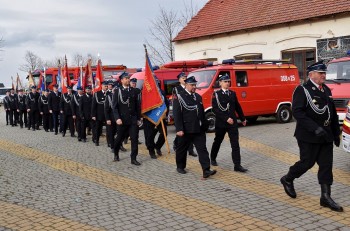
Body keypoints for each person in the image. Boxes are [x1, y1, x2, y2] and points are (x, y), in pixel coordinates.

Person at [280, 61, 343, 212]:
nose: (323, 75)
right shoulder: (302, 90)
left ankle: (325, 197)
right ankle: (288, 178)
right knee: (307, 162)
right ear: (311, 75)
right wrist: (315, 128)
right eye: (320, 73)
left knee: (326, 165)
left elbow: (332, 113)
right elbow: (298, 112)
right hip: (308, 135)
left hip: (325, 135)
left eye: (324, 73)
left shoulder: (326, 89)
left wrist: (336, 133)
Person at [172, 76, 217, 178]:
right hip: (186, 128)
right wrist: (179, 129)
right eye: (192, 85)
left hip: (198, 128)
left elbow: (201, 112)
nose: (194, 87)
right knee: (182, 149)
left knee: (202, 149)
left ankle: (206, 170)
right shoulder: (179, 97)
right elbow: (177, 114)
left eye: (195, 85)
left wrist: (205, 125)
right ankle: (180, 166)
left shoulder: (197, 96)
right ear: (187, 85)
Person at [210, 74, 248, 172]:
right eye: (225, 81)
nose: (227, 83)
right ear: (220, 83)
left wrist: (243, 118)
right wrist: (226, 118)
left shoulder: (232, 93)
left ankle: (237, 165)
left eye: (228, 81)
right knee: (218, 141)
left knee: (235, 144)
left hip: (232, 123)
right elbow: (215, 109)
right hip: (221, 123)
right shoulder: (216, 94)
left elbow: (237, 106)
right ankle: (213, 158)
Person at [112, 72, 142, 165]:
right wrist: (117, 118)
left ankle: (133, 158)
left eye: (128, 78)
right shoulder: (117, 91)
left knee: (134, 138)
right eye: (126, 78)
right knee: (119, 138)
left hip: (132, 119)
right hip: (122, 120)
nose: (128, 80)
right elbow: (114, 107)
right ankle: (116, 153)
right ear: (121, 80)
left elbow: (137, 106)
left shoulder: (134, 91)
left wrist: (139, 118)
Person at [172, 72, 197, 157]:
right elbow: (175, 102)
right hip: (181, 114)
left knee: (190, 134)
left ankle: (190, 150)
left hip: (190, 116)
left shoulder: (190, 88)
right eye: (183, 78)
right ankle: (176, 144)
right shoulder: (176, 89)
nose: (184, 78)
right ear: (179, 79)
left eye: (185, 77)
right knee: (181, 135)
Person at [143, 79, 169, 159]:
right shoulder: (146, 93)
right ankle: (151, 151)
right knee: (150, 135)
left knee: (164, 134)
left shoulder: (162, 92)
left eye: (157, 83)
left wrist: (166, 114)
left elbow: (166, 103)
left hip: (161, 116)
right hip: (150, 117)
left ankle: (157, 147)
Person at [91, 81, 108, 146]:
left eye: (107, 86)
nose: (106, 87)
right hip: (99, 114)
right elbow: (93, 105)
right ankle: (96, 140)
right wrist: (93, 115)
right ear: (102, 86)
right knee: (98, 128)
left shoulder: (110, 93)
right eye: (105, 86)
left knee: (109, 130)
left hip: (107, 115)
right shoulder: (97, 94)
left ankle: (109, 142)